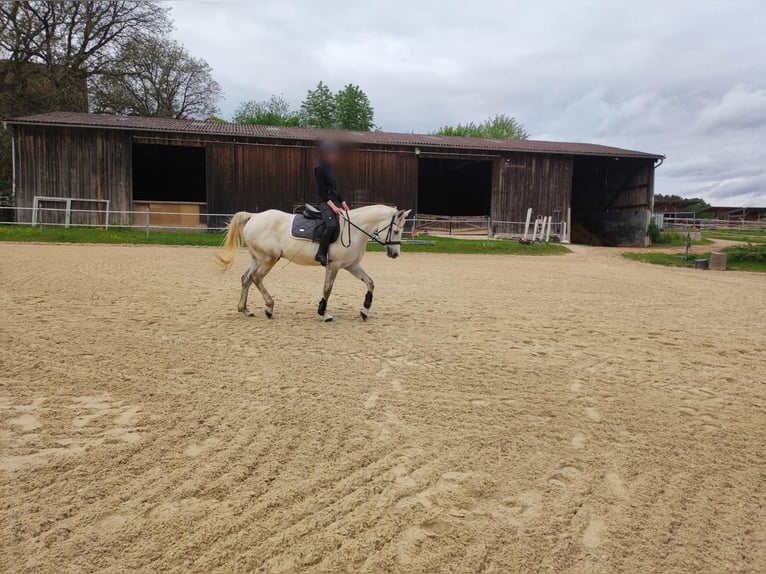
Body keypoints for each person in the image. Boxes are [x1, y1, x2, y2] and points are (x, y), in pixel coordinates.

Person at [314, 141, 349, 266]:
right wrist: (333, 206)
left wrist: (342, 201)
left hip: (333, 200)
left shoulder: (330, 169)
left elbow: (334, 190)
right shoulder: (320, 169)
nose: (336, 156)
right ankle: (321, 254)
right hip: (324, 201)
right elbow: (322, 191)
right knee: (331, 225)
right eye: (334, 154)